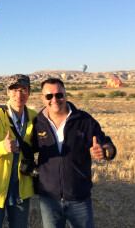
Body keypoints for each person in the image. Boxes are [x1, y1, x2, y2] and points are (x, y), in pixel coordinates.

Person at [33, 78, 117, 228]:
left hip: (79, 198)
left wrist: (104, 152)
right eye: (49, 96)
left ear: (65, 94)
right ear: (42, 98)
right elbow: (28, 149)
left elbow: (108, 145)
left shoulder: (84, 120)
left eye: (59, 95)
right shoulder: (38, 122)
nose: (55, 100)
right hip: (49, 199)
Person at [0, 74, 37, 228]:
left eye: (23, 90)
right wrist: (1, 147)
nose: (19, 95)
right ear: (7, 92)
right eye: (14, 90)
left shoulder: (35, 118)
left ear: (29, 92)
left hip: (21, 190)